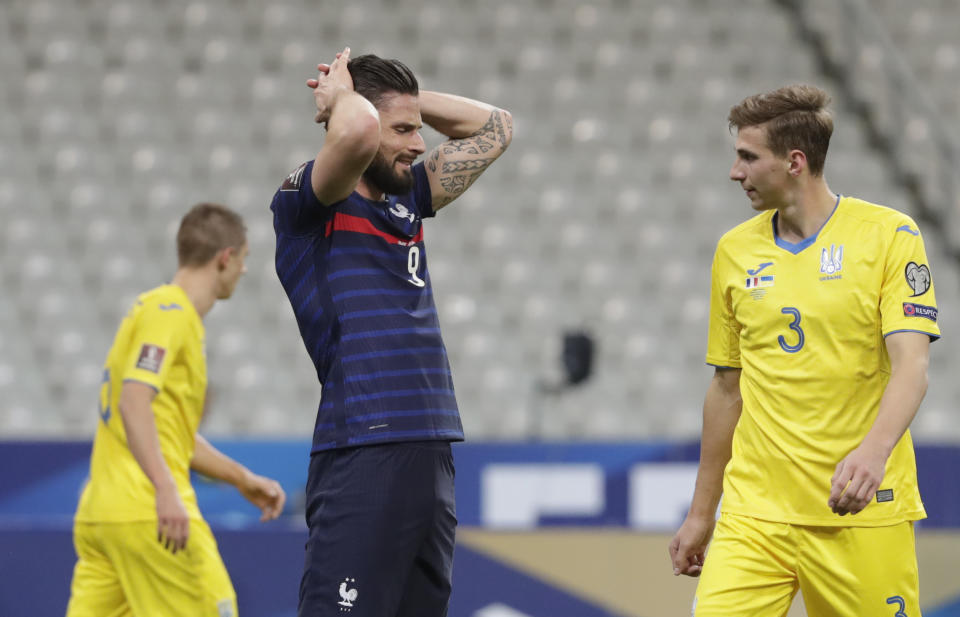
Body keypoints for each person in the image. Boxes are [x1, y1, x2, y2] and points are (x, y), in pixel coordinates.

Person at [668, 84, 940, 617]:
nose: (734, 172)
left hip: (857, 510)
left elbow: (913, 363)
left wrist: (874, 452)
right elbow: (727, 388)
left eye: (748, 157)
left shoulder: (888, 235)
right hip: (755, 513)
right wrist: (703, 512)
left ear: (794, 162)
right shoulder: (734, 250)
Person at [269, 47, 511, 617]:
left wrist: (405, 102)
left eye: (418, 129)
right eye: (402, 130)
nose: (420, 143)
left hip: (431, 449)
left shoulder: (407, 195)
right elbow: (352, 134)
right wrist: (343, 100)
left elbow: (497, 127)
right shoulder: (306, 203)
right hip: (363, 448)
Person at [67, 203, 287, 617]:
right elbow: (134, 401)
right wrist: (166, 490)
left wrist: (241, 478)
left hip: (105, 517)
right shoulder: (171, 311)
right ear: (226, 257)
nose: (242, 271)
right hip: (151, 515)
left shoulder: (153, 309)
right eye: (243, 259)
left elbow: (167, 432)